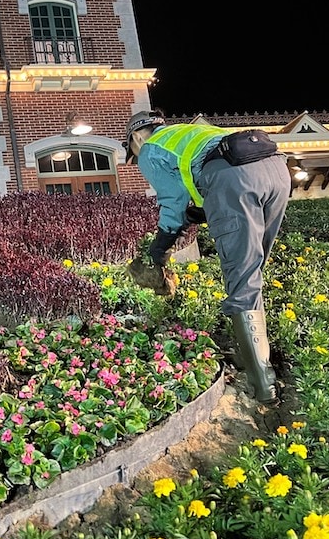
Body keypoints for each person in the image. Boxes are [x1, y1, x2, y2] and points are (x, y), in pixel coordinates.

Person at [123, 110, 290, 404]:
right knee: (252, 270)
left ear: (136, 137)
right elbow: (200, 175)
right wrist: (203, 210)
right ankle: (253, 353)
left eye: (133, 153)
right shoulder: (190, 133)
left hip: (233, 179)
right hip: (276, 171)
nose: (138, 160)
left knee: (242, 278)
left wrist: (160, 247)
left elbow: (172, 202)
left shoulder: (150, 149)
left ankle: (264, 387)